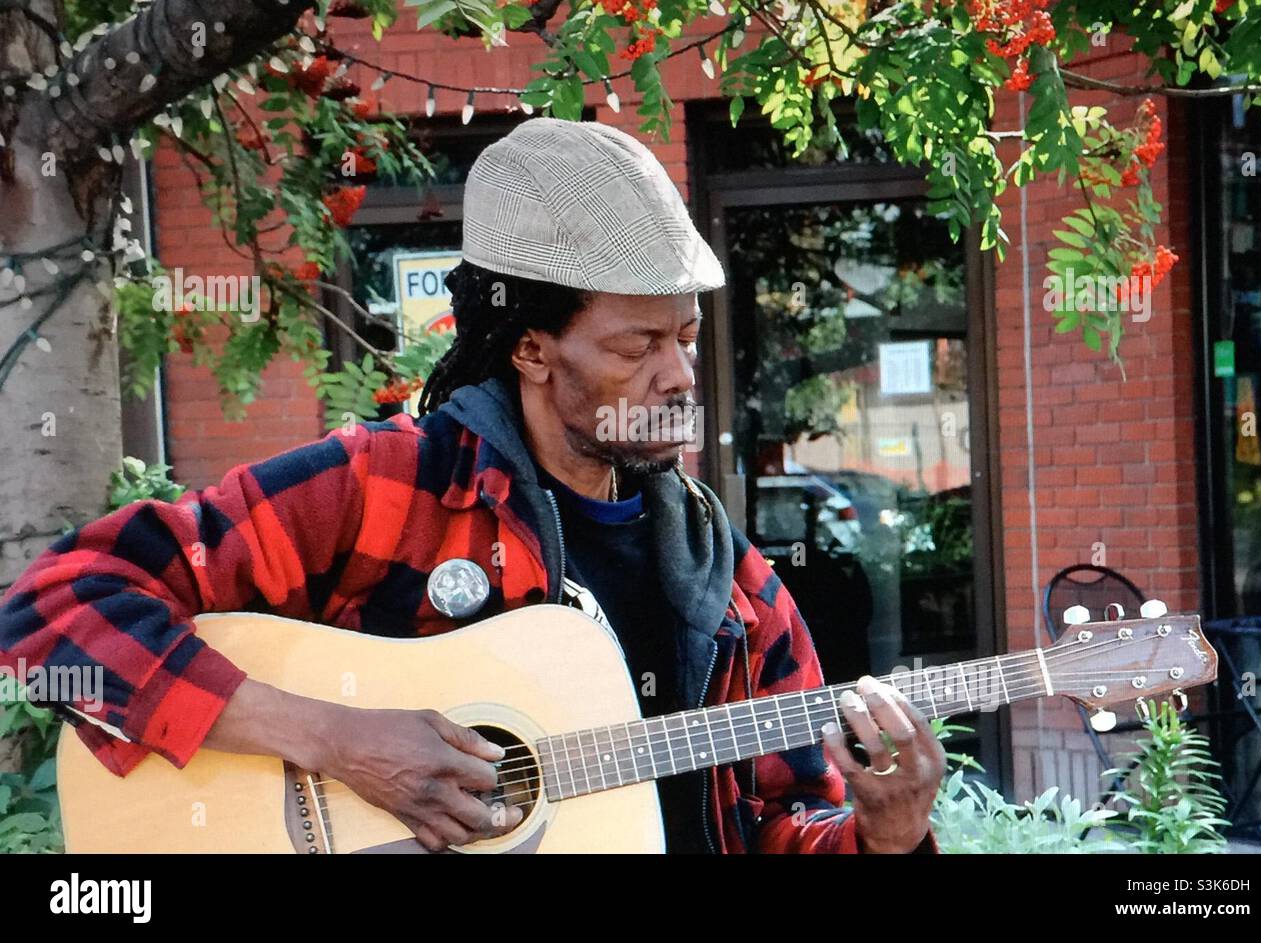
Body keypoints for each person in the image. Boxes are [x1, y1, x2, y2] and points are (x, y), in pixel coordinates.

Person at [0, 118, 943, 853]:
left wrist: (887, 832)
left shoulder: (726, 585)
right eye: (638, 345)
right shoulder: (383, 487)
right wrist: (331, 737)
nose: (681, 376)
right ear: (531, 347)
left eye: (687, 337)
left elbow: (784, 822)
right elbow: (46, 613)